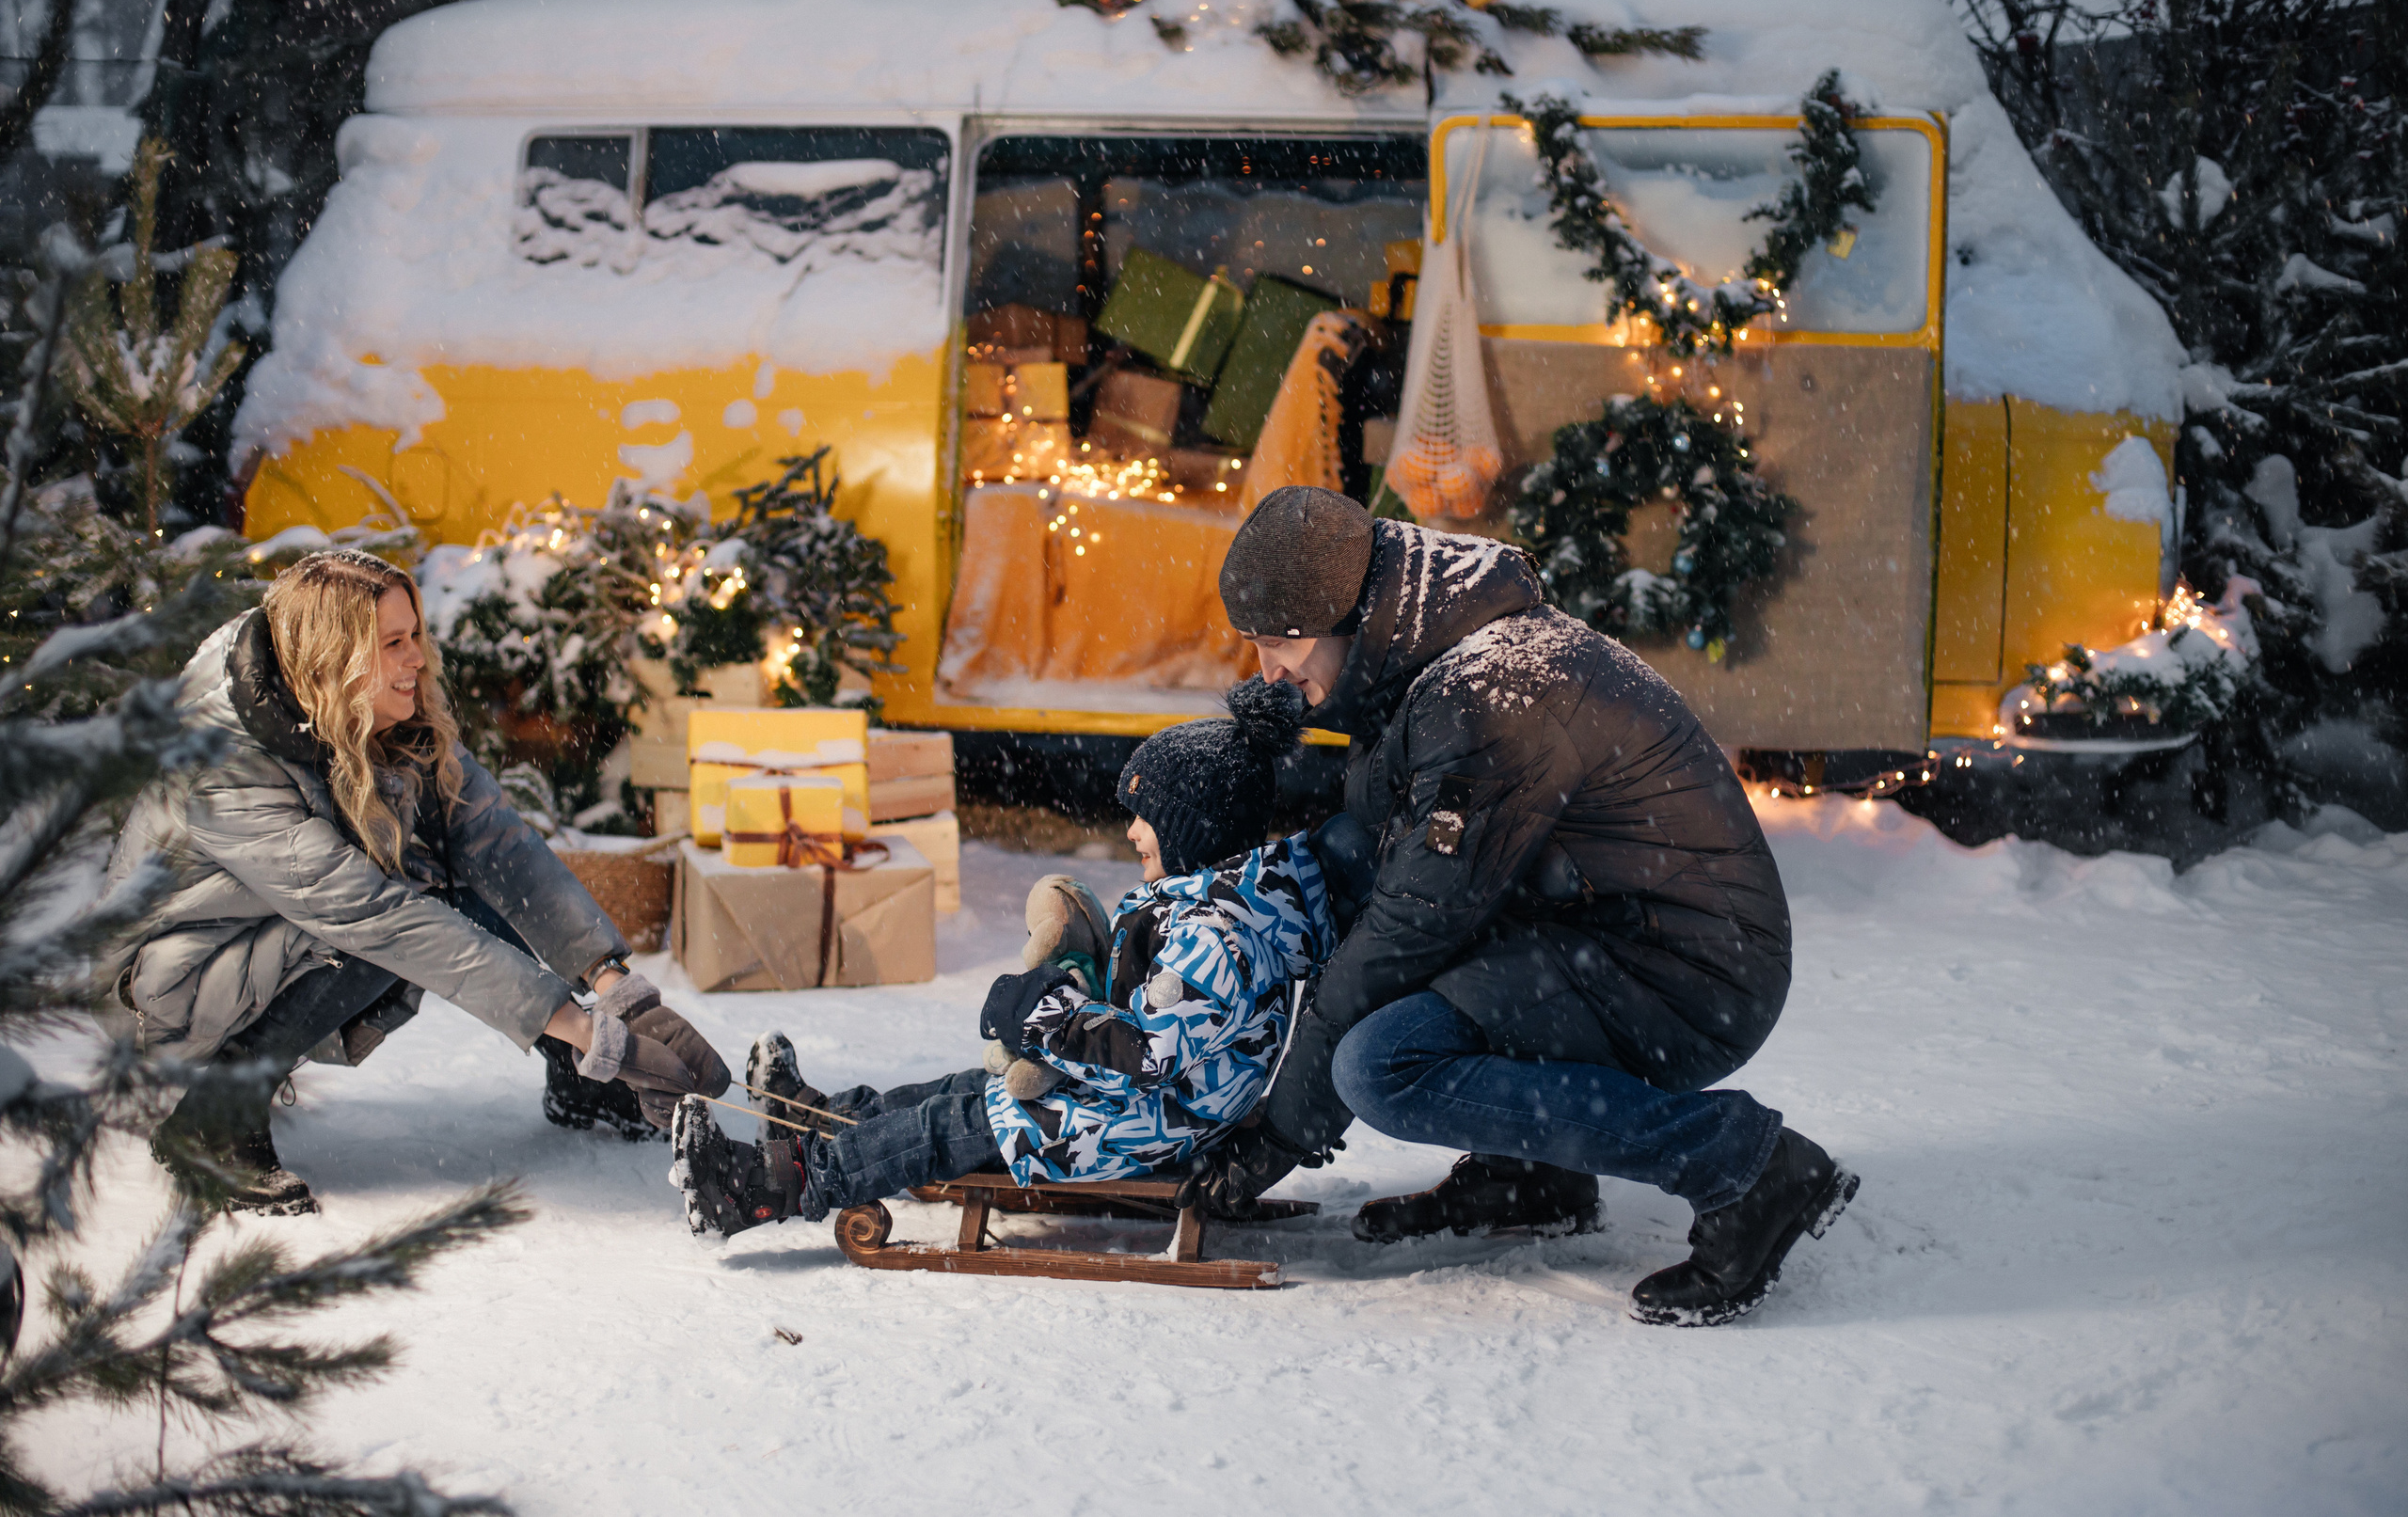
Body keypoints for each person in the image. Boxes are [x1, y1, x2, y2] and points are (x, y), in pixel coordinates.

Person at [1182, 486, 1857, 1327]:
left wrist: (1281, 1131)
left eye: (1282, 641)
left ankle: (1744, 1166)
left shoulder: (1488, 695)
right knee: (1349, 857)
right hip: (1596, 926)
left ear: (1350, 612)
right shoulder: (1437, 657)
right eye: (1256, 644)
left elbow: (1414, 921)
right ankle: (1531, 1176)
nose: (1269, 670)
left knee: (1380, 1066)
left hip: (1689, 972)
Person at [97, 549, 728, 1215]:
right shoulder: (223, 764)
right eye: (392, 643)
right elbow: (378, 916)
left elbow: (494, 839)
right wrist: (582, 1026)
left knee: (456, 870)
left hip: (270, 934)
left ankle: (581, 1081)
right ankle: (213, 1120)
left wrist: (614, 984)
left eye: (415, 635)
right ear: (330, 656)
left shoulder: (351, 702)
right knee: (396, 914)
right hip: (169, 982)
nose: (417, 658)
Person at [671, 678, 1339, 1236]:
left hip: (1144, 1124)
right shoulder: (1208, 905)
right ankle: (820, 1122)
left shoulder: (1218, 938)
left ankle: (770, 1187)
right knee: (959, 1090)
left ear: (1197, 829)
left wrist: (1042, 1012)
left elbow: (1147, 1057)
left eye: (1147, 815)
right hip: (1135, 1106)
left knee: (955, 1121)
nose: (1132, 829)